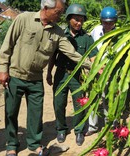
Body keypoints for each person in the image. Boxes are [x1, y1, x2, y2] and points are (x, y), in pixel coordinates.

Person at [0, 0, 92, 155]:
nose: (61, 16)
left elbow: (72, 53)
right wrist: (3, 70)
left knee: (36, 114)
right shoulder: (24, 19)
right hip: (15, 75)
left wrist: (93, 66)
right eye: (58, 12)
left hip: (35, 79)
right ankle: (12, 145)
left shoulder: (58, 32)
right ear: (46, 8)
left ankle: (34, 144)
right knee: (11, 112)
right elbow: (7, 45)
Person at [46, 3, 98, 146]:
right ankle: (61, 129)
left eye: (81, 19)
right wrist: (49, 73)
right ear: (69, 19)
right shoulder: (60, 35)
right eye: (76, 19)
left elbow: (93, 57)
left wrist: (98, 69)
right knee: (58, 103)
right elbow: (52, 56)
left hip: (78, 76)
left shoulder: (87, 38)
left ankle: (79, 131)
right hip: (61, 74)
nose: (79, 22)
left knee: (79, 104)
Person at [85, 6, 118, 136]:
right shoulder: (96, 30)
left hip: (111, 72)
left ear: (115, 21)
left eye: (111, 22)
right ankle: (92, 126)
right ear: (101, 21)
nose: (108, 25)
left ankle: (111, 125)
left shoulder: (120, 34)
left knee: (108, 99)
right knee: (93, 98)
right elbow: (91, 46)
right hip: (95, 70)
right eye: (105, 22)